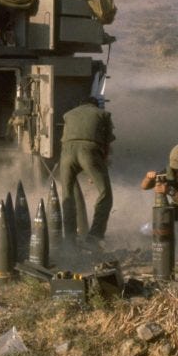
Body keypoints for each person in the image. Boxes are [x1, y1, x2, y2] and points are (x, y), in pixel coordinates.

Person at [59, 95, 115, 250]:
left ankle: (70, 238)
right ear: (95, 105)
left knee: (67, 195)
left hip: (66, 154)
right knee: (105, 193)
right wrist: (100, 167)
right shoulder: (103, 114)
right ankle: (94, 236)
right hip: (89, 152)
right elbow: (107, 144)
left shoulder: (68, 114)